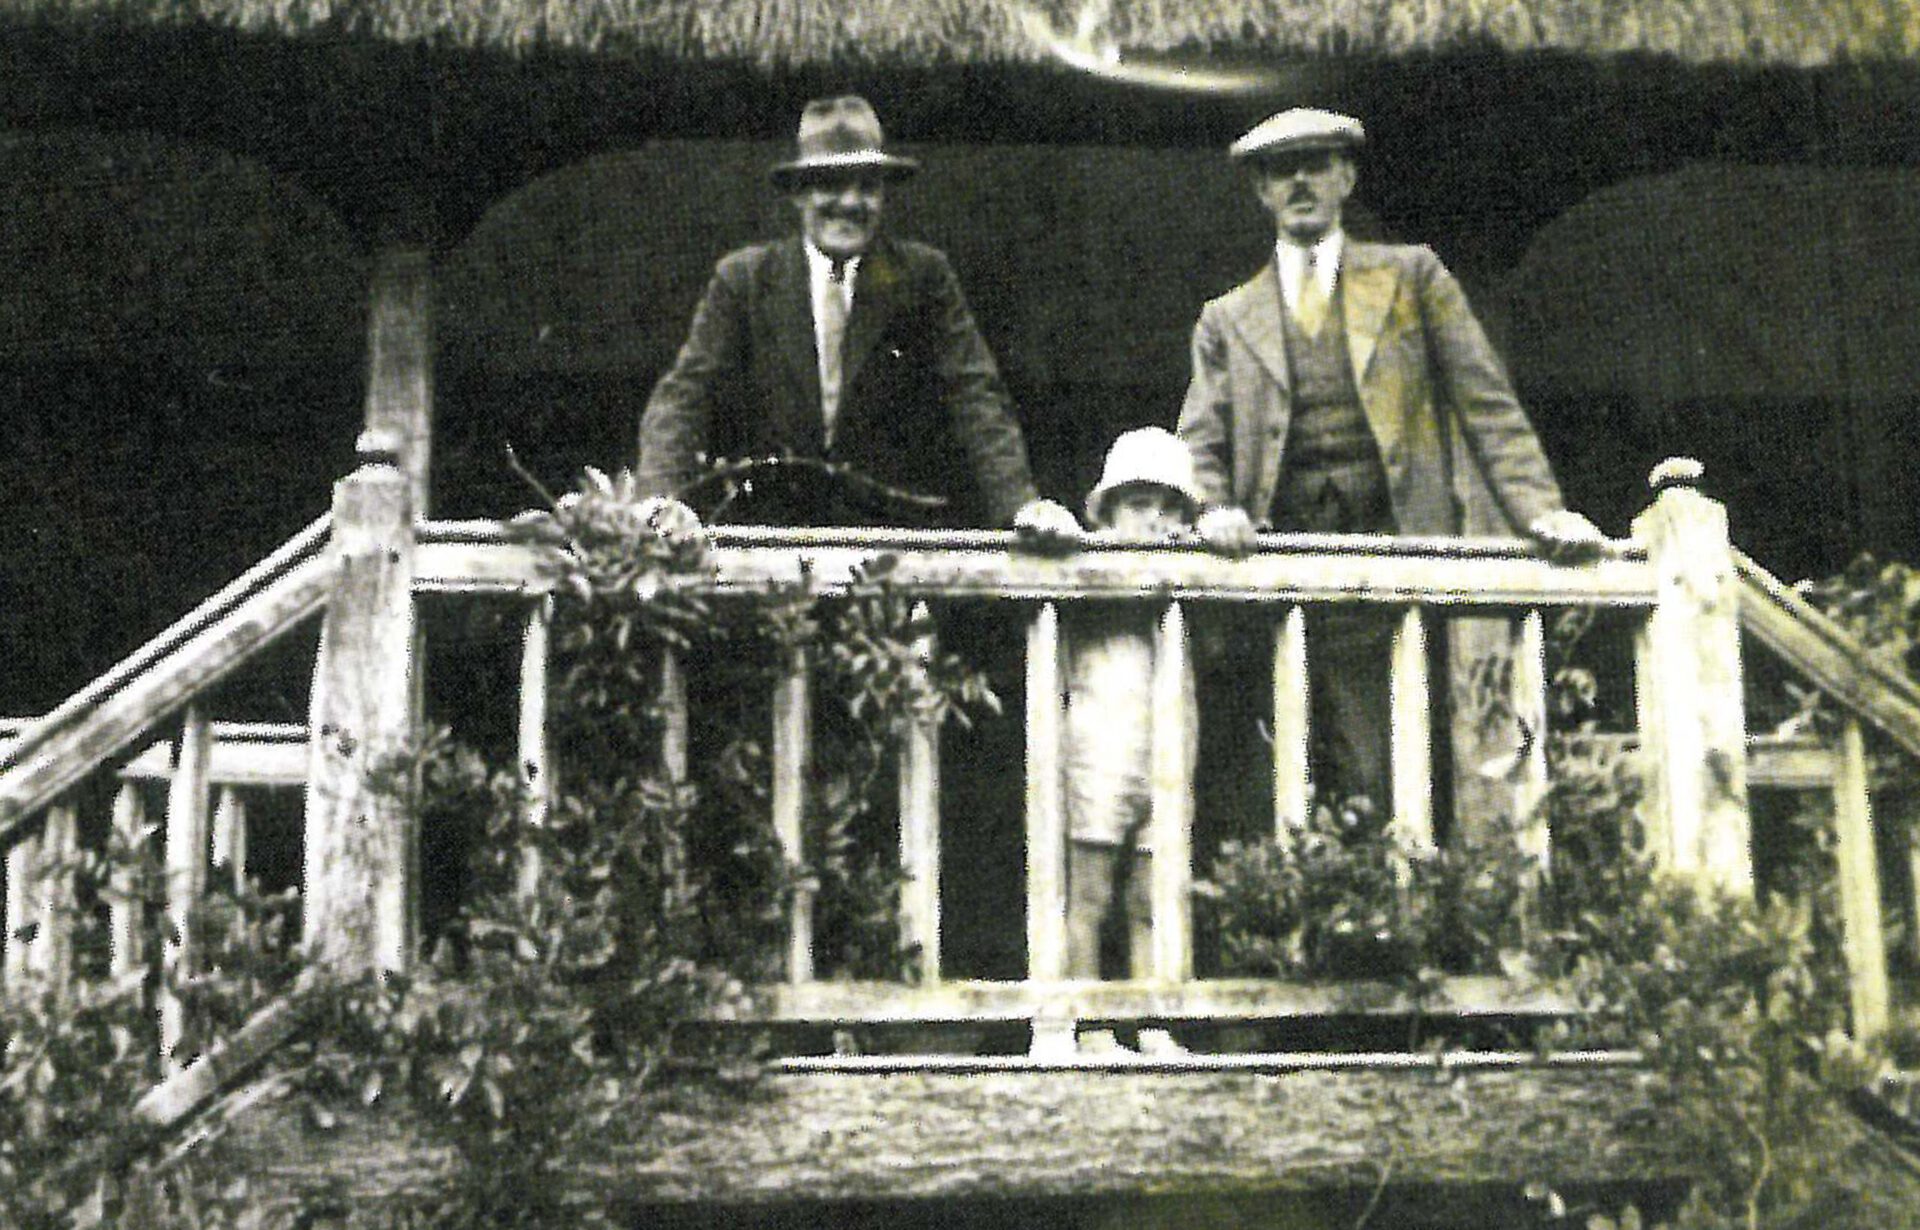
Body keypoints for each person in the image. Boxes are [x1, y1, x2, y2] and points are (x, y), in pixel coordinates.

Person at [1175, 107, 1604, 816]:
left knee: (1401, 755)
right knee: (1284, 765)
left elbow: (1485, 401)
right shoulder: (1226, 317)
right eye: (1283, 170)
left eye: (1317, 163)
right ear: (1261, 191)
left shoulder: (1412, 275)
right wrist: (1215, 508)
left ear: (1346, 177)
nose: (1302, 181)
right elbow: (1201, 439)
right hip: (1278, 566)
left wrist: (1542, 510)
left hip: (1396, 547)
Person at [634, 94, 1078, 543]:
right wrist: (659, 499)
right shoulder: (744, 279)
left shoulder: (924, 277)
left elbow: (974, 393)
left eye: (867, 186)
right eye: (831, 184)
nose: (851, 203)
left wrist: (1021, 504)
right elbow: (687, 392)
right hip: (770, 540)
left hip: (890, 542)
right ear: (799, 195)